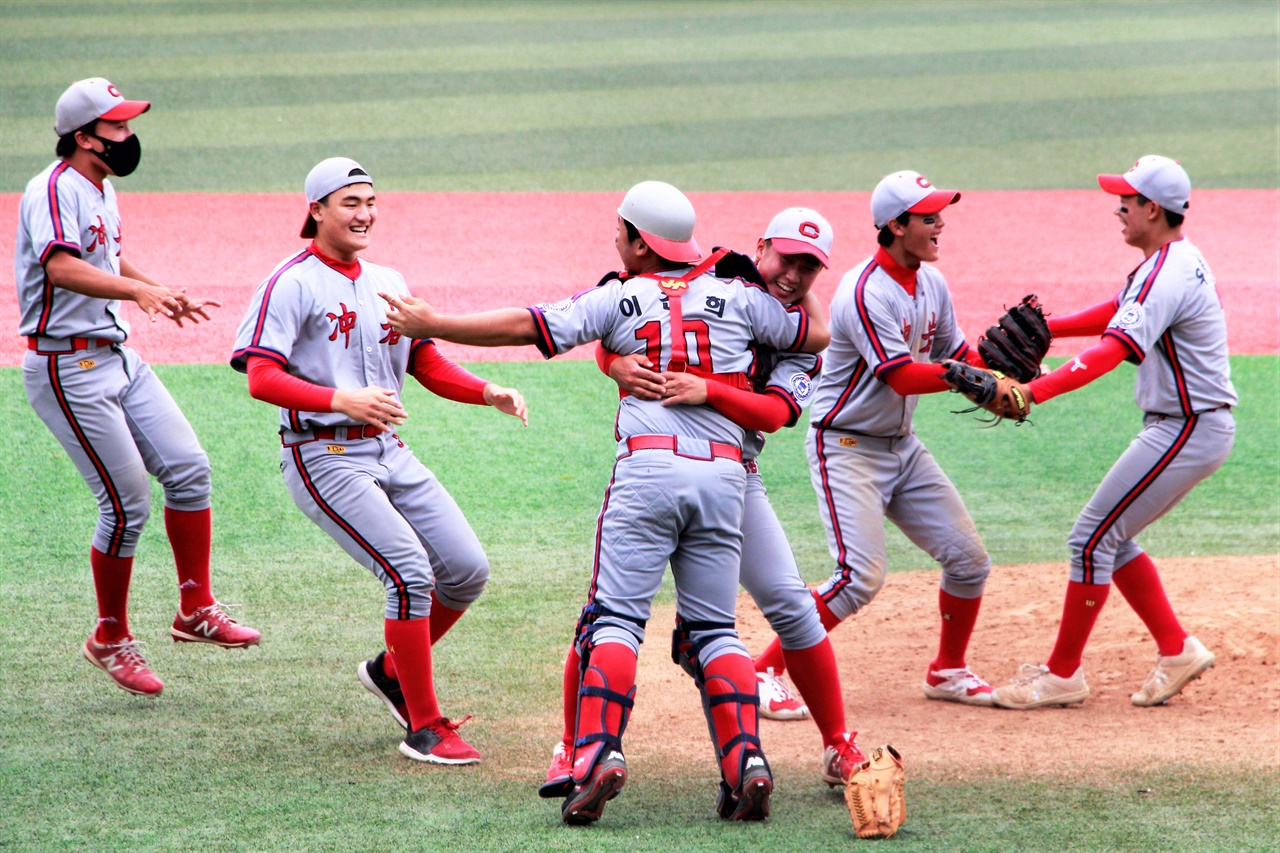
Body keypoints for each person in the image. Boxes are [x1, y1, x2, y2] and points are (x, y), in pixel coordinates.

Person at [381, 180, 828, 824]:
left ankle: (595, 756)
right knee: (714, 631)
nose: (615, 242)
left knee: (613, 619)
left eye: (621, 232)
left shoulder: (620, 295)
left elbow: (525, 326)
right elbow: (812, 334)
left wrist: (433, 323)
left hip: (647, 471)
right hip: (726, 480)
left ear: (641, 241)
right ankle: (745, 765)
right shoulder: (742, 294)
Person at [538, 207, 865, 795]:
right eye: (787, 258)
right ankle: (571, 746)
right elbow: (624, 328)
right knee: (609, 612)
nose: (793, 275)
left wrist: (707, 391)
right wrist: (614, 363)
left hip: (734, 475)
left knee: (789, 604)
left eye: (810, 268)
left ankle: (837, 743)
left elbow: (776, 413)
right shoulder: (720, 280)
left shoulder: (797, 339)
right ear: (761, 245)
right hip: (672, 467)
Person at [230, 157, 528, 764]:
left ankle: (391, 671)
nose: (365, 214)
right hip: (323, 455)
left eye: (371, 202)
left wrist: (485, 391)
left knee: (466, 570)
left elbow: (425, 361)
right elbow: (261, 377)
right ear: (316, 210)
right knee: (409, 573)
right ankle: (424, 726)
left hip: (389, 450)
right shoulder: (290, 282)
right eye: (350, 203)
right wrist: (339, 398)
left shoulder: (388, 278)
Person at [15, 77, 260, 698]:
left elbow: (106, 259)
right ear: (82, 136)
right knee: (125, 508)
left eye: (128, 124)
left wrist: (157, 289)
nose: (128, 135)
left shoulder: (102, 188)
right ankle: (109, 636)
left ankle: (194, 609)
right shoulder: (50, 189)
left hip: (117, 355)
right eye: (117, 126)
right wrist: (137, 293)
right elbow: (61, 265)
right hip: (68, 368)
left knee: (188, 469)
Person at [990, 156, 1234, 710]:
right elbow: (1122, 310)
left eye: (1127, 198)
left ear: (1153, 208)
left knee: (1091, 539)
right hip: (1191, 426)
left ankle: (1062, 675)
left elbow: (1115, 348)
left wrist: (1035, 389)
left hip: (1187, 428)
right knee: (1110, 537)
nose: (1118, 207)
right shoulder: (1173, 260)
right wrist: (1052, 329)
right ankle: (1176, 649)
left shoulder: (1166, 268)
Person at [754, 171, 999, 710]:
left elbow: (959, 352)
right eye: (928, 215)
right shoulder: (866, 291)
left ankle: (948, 671)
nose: (939, 223)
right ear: (895, 224)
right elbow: (903, 376)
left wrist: (1005, 372)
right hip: (846, 448)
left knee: (968, 561)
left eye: (939, 213)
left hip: (901, 446)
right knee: (858, 578)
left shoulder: (931, 283)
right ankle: (763, 668)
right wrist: (968, 378)